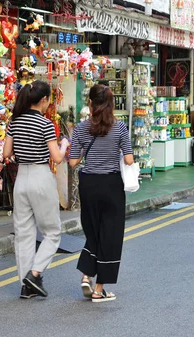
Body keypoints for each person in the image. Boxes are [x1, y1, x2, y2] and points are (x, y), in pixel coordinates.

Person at [3, 81, 70, 299]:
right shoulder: (46, 124)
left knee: (23, 234)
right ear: (43, 100)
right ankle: (35, 273)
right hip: (41, 177)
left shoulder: (15, 122)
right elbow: (57, 158)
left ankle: (26, 286)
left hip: (21, 178)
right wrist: (64, 145)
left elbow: (6, 153)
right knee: (52, 232)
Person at [69, 84, 134, 303]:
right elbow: (128, 159)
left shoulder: (79, 129)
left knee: (93, 231)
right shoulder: (120, 128)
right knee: (110, 235)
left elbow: (73, 162)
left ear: (90, 103)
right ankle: (98, 289)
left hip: (88, 184)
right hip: (111, 185)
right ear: (110, 105)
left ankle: (86, 274)